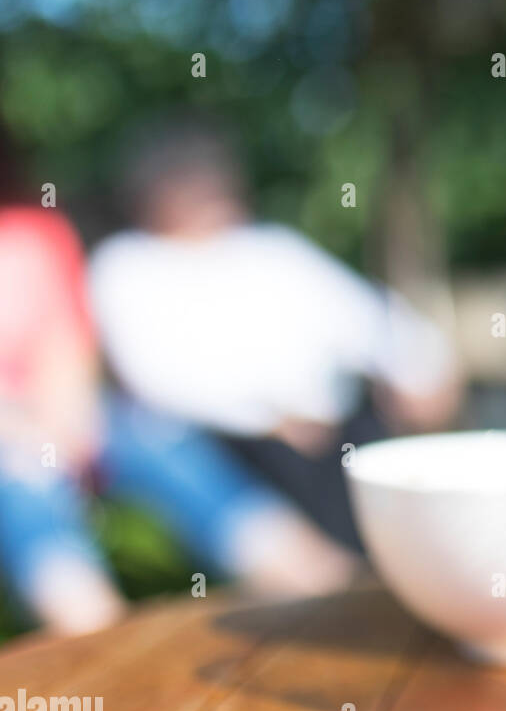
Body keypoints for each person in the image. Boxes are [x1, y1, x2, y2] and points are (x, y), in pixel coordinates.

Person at [0, 131, 357, 635]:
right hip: (11, 440)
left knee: (156, 435)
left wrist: (63, 430)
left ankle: (311, 577)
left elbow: (66, 353)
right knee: (21, 483)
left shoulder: (35, 233)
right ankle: (93, 639)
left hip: (61, 417)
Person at [88, 118, 462, 550]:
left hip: (339, 436)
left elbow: (371, 322)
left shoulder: (273, 251)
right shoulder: (126, 268)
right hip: (235, 451)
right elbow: (157, 381)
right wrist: (270, 420)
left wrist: (420, 371)